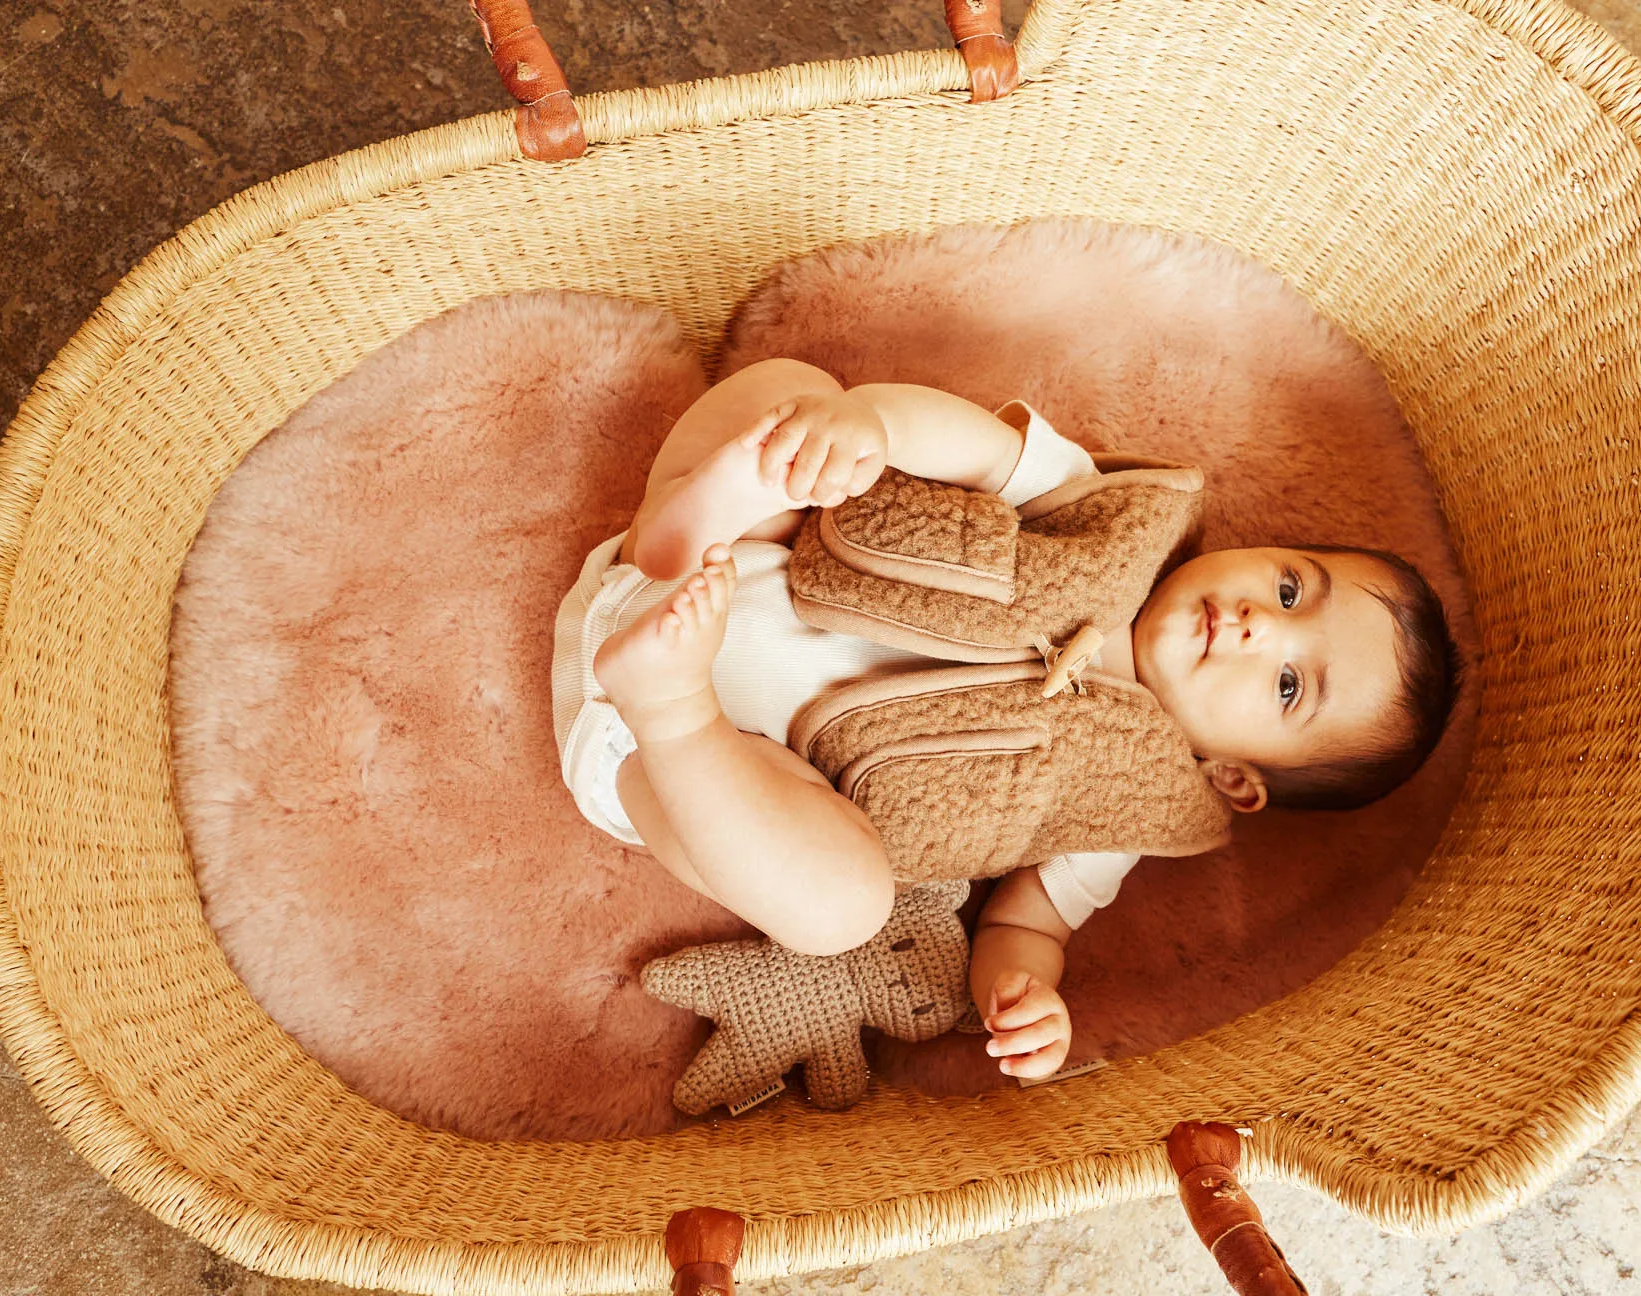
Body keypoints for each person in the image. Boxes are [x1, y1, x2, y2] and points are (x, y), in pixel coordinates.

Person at [550, 358, 1457, 1082]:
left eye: (1290, 686)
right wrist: (871, 427)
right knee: (795, 394)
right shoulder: (1097, 518)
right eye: (1292, 588)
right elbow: (983, 450)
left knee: (843, 908)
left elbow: (1026, 927)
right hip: (728, 555)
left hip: (674, 758)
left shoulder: (1122, 814)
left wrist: (1024, 995)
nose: (1263, 626)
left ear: (1234, 778)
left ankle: (675, 702)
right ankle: (679, 529)